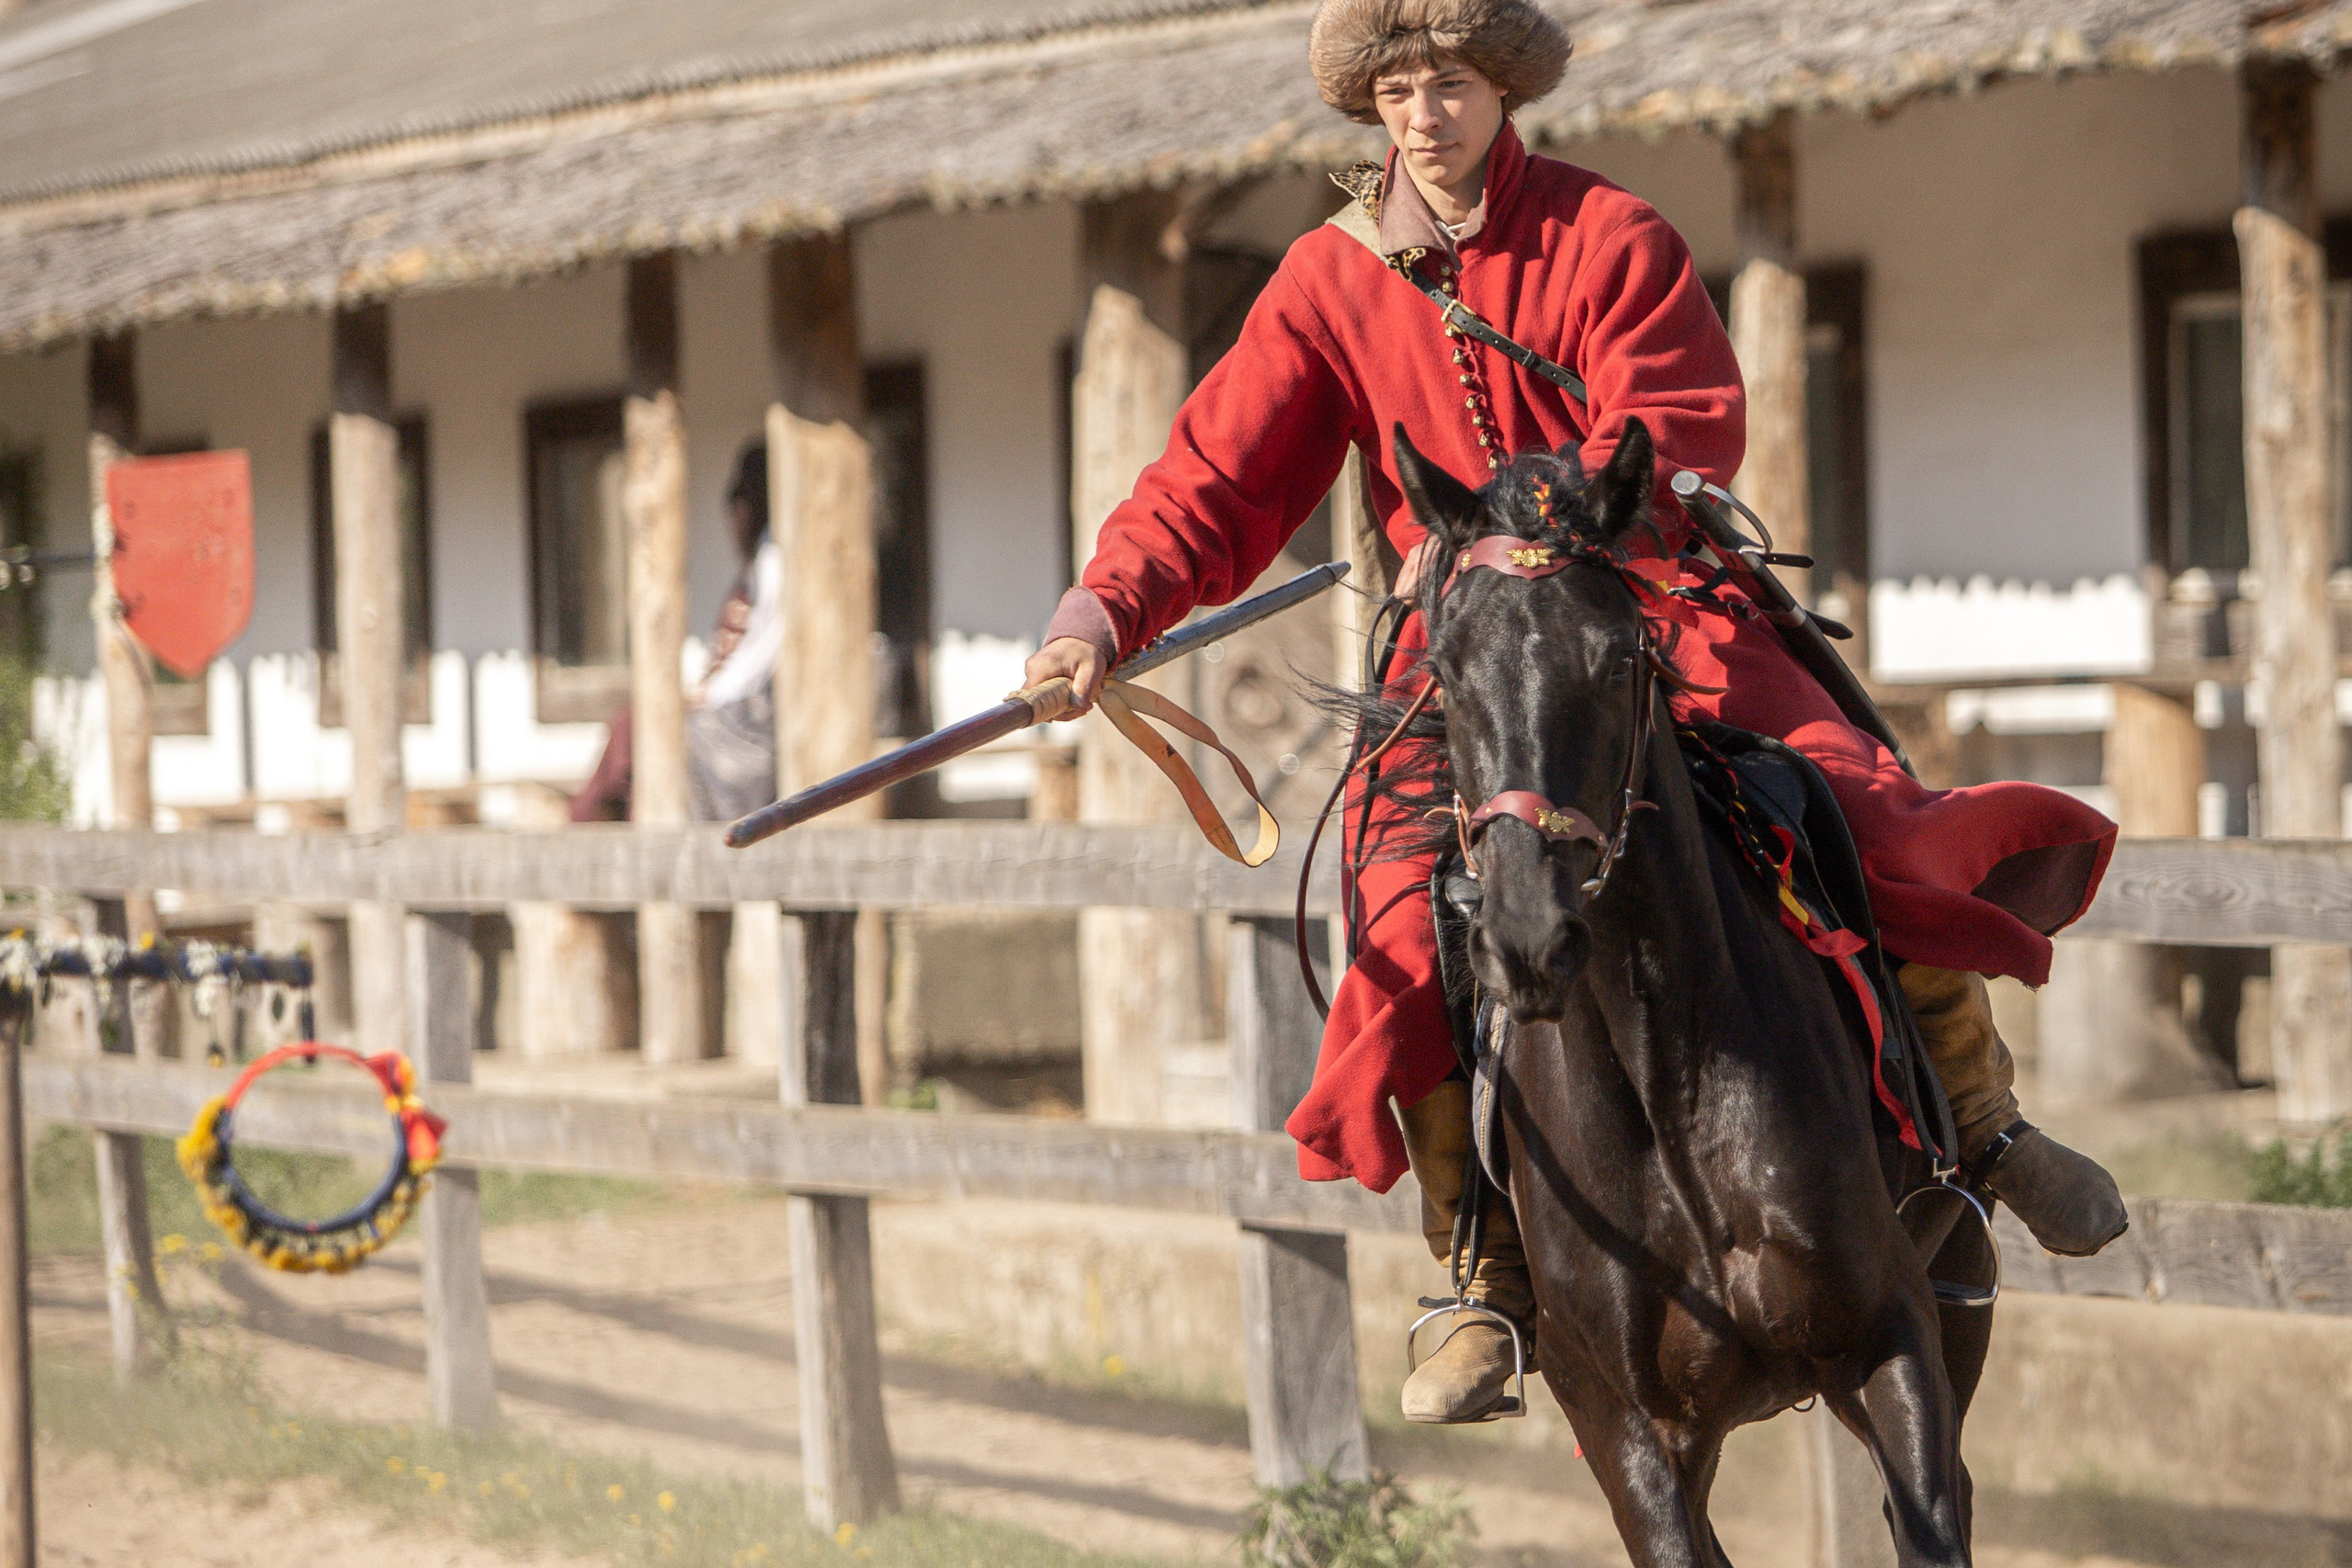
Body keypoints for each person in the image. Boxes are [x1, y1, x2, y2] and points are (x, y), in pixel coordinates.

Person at [1024, 0, 2130, 1426]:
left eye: (1453, 83)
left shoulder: (1612, 235)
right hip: (1465, 671)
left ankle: (1983, 1122)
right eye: (1399, 91)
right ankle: (1478, 1265)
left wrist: (1536, 531)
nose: (1426, 114)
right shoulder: (1325, 280)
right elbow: (1214, 483)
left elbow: (1679, 427)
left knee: (1860, 803)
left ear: (1505, 89)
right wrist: (1098, 615)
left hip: (1655, 612)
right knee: (1400, 919)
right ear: (1370, 107)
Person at [570, 441, 780, 824]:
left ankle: (590, 821)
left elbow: (766, 648)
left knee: (645, 728)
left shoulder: (775, 559)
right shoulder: (758, 566)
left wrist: (710, 694)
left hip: (754, 719)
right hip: (735, 704)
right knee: (635, 726)